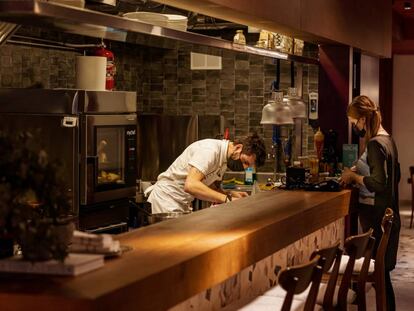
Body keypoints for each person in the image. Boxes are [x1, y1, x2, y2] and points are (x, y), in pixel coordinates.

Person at [340, 95, 400, 311]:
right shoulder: (387, 139)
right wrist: (359, 169)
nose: (355, 127)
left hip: (376, 217)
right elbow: (396, 175)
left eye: (354, 122)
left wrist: (355, 178)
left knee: (380, 276)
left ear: (363, 119)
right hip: (387, 216)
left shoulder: (375, 144)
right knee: (383, 278)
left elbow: (378, 183)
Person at [145, 133, 266, 214]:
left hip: (181, 201)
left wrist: (232, 194)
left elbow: (211, 185)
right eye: (245, 162)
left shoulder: (223, 159)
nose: (244, 167)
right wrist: (228, 199)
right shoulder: (210, 151)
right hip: (166, 199)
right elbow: (191, 185)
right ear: (238, 148)